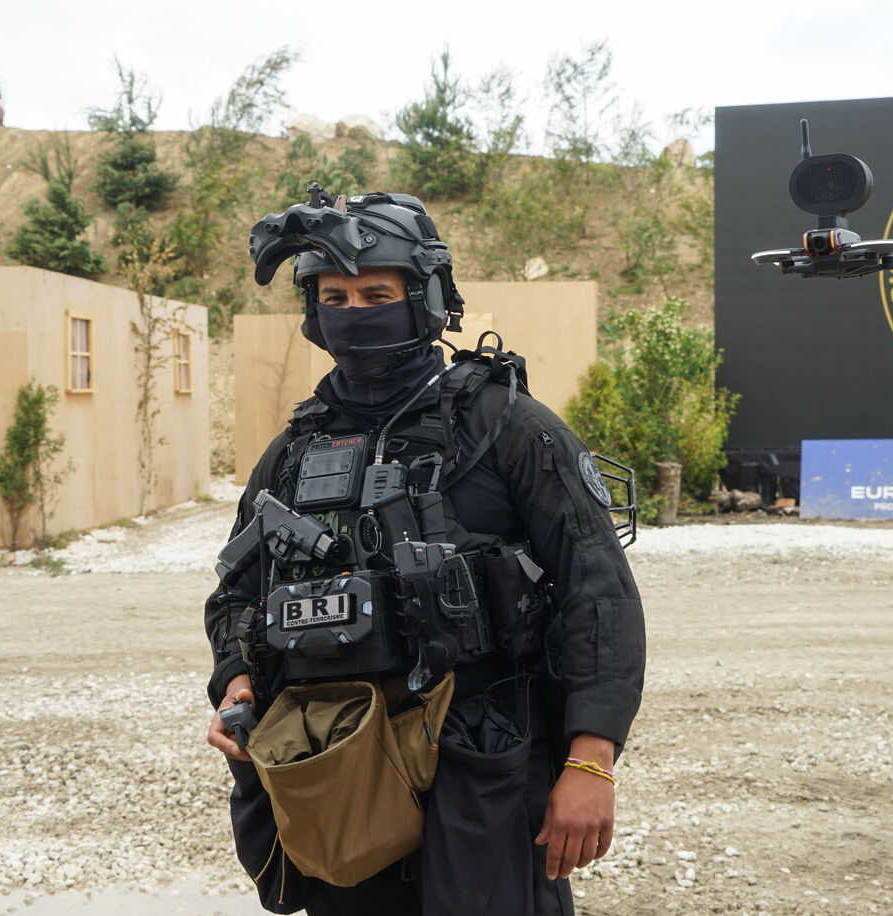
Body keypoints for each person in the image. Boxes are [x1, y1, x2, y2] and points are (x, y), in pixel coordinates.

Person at [204, 189, 646, 915]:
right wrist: (237, 680)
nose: (354, 311)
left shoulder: (506, 427)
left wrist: (592, 759)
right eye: (335, 297)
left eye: (376, 294)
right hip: (337, 764)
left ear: (426, 298)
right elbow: (235, 595)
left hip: (484, 762)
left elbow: (596, 589)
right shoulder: (294, 451)